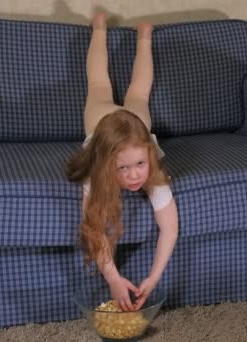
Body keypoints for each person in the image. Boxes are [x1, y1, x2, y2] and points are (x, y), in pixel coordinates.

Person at [66, 13, 178, 312]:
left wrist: (154, 277)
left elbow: (169, 227)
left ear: (149, 153)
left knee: (139, 94)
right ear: (107, 165)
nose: (133, 177)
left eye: (139, 164)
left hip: (135, 124)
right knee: (99, 85)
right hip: (99, 120)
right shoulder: (96, 169)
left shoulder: (149, 160)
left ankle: (144, 36)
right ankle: (99, 28)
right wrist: (113, 279)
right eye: (122, 168)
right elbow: (94, 229)